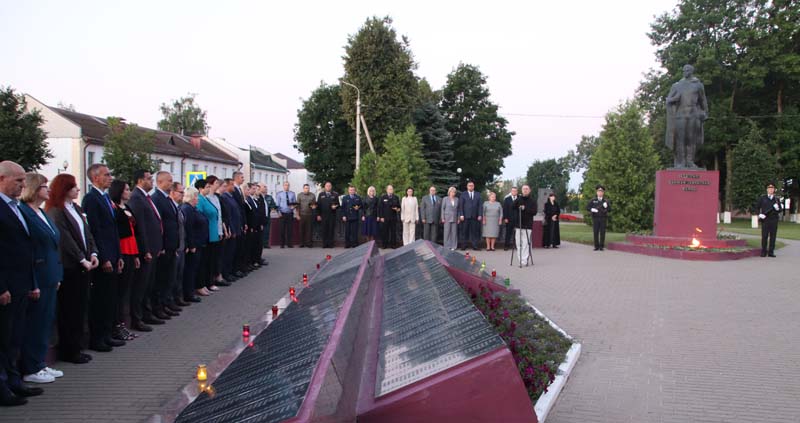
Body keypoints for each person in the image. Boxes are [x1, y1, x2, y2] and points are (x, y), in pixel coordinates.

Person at [0, 161, 42, 405]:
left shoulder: (16, 207)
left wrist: (31, 282)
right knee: (3, 338)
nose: (23, 185)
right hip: (7, 285)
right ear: (2, 179)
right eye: (18, 181)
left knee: (15, 336)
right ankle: (3, 386)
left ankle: (15, 382)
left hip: (22, 283)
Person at [46, 173, 99, 364]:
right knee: (70, 309)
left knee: (80, 307)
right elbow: (65, 239)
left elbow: (87, 233)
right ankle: (70, 350)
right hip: (70, 267)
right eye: (73, 186)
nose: (77, 189)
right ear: (64, 189)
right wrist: (81, 259)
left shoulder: (75, 208)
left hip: (84, 264)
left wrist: (93, 253)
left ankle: (77, 346)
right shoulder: (56, 211)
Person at [18, 173, 63, 385]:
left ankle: (40, 362)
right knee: (35, 322)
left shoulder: (42, 213)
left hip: (51, 273)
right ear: (34, 189)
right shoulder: (25, 212)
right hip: (38, 275)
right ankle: (31, 366)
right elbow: (30, 248)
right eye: (44, 186)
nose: (48, 190)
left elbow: (54, 242)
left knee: (45, 320)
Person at [82, 164, 124, 352]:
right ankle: (98, 337)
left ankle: (107, 334)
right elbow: (96, 231)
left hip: (114, 254)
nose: (110, 177)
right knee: (101, 299)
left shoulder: (105, 197)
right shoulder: (91, 199)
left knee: (110, 298)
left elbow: (113, 230)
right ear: (95, 177)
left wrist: (119, 255)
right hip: (103, 257)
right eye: (107, 175)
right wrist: (105, 257)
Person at [127, 170, 166, 329]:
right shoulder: (136, 198)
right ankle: (138, 318)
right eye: (149, 179)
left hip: (154, 247)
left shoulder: (146, 197)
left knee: (149, 284)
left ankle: (148, 313)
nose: (152, 181)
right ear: (140, 180)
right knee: (141, 286)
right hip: (146, 250)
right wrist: (145, 250)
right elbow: (140, 227)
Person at [108, 180, 141, 336]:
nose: (129, 192)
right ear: (119, 191)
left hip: (131, 248)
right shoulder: (114, 207)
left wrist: (136, 255)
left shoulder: (126, 207)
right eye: (127, 189)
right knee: (118, 291)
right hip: (121, 249)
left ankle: (121, 323)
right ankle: (117, 324)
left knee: (126, 289)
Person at [665, 64, 708, 169]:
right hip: (680, 116)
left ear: (691, 71)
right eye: (684, 70)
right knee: (681, 140)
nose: (685, 72)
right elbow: (668, 100)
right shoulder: (677, 85)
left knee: (691, 140)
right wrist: (674, 98)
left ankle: (690, 161)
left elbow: (703, 100)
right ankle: (681, 162)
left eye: (687, 70)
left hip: (694, 115)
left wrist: (705, 112)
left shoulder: (698, 85)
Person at [181, 186, 208, 301]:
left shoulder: (193, 208)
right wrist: (191, 245)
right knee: (190, 270)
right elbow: (189, 229)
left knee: (194, 269)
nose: (198, 198)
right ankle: (188, 293)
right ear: (191, 197)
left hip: (198, 243)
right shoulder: (187, 209)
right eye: (196, 196)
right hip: (194, 245)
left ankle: (191, 290)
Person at [199, 176, 224, 291]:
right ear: (201, 189)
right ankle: (205, 283)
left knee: (211, 259)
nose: (209, 189)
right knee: (206, 261)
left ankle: (210, 282)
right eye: (207, 187)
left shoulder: (208, 199)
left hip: (213, 233)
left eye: (209, 187)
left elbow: (217, 214)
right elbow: (201, 216)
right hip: (207, 234)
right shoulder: (201, 199)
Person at [169, 182, 190, 306]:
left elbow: (183, 228)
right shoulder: (172, 206)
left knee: (179, 275)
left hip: (181, 246)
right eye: (180, 192)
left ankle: (178, 298)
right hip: (175, 247)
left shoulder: (179, 207)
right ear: (172, 193)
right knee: (172, 276)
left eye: (183, 192)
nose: (183, 195)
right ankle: (171, 300)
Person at [220, 179, 243, 282]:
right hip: (231, 229)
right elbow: (228, 216)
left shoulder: (231, 197)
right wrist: (232, 230)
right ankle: (226, 273)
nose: (233, 187)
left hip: (236, 228)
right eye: (231, 185)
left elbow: (236, 212)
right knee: (228, 254)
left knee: (233, 252)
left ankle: (231, 271)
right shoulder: (225, 198)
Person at [755, 182, 783, 257]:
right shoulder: (762, 198)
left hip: (774, 220)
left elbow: (780, 210)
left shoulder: (776, 199)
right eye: (769, 188)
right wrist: (759, 214)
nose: (771, 190)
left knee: (773, 236)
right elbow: (757, 208)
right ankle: (763, 251)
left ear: (774, 190)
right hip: (765, 219)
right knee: (764, 236)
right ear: (767, 189)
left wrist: (777, 208)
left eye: (772, 188)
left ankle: (771, 252)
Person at [512, 185, 537, 266]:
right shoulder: (518, 199)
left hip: (528, 225)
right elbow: (512, 207)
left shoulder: (532, 201)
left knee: (526, 244)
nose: (525, 190)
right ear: (521, 190)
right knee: (518, 243)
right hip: (518, 225)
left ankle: (524, 260)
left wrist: (525, 208)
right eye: (523, 189)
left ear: (529, 190)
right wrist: (518, 200)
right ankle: (520, 259)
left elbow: (534, 212)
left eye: (527, 189)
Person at [459, 181, 483, 250]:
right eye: (469, 185)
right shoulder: (463, 194)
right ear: (467, 186)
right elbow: (461, 205)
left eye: (472, 185)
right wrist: (461, 214)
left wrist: (480, 215)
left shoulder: (478, 194)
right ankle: (464, 245)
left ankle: (475, 245)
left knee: (474, 232)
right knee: (464, 231)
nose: (470, 187)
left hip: (475, 216)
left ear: (474, 186)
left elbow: (480, 206)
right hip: (465, 216)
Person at [587, 185, 610, 251]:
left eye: (601, 191)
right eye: (599, 191)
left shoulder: (606, 201)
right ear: (597, 192)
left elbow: (610, 209)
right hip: (595, 218)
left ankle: (601, 246)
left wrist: (606, 207)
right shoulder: (593, 200)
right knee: (596, 232)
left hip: (603, 218)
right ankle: (596, 246)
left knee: (602, 232)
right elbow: (587, 207)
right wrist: (592, 209)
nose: (600, 193)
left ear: (603, 193)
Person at [316, 182, 339, 248]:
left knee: (331, 230)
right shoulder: (321, 194)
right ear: (325, 187)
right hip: (323, 215)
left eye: (329, 186)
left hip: (332, 215)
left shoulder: (335, 194)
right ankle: (325, 244)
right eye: (327, 186)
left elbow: (338, 205)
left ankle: (330, 244)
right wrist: (318, 215)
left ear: (331, 187)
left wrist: (335, 207)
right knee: (324, 230)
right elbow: (318, 206)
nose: (328, 187)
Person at [275, 182, 297, 248]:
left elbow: (295, 203)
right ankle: (282, 244)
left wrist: (293, 207)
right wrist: (278, 212)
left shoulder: (292, 194)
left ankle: (289, 244)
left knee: (290, 229)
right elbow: (277, 204)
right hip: (282, 213)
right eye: (285, 185)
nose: (286, 186)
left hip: (290, 213)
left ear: (289, 186)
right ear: (283, 186)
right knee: (282, 229)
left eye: (288, 185)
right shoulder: (279, 194)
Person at [441, 187, 460, 251]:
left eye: (454, 192)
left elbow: (458, 209)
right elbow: (442, 209)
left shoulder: (457, 199)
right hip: (447, 218)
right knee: (447, 232)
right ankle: (446, 246)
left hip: (454, 218)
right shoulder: (445, 199)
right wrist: (442, 218)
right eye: (452, 192)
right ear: (449, 192)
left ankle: (453, 246)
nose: (453, 193)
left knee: (454, 233)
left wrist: (458, 218)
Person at [258, 183, 277, 248]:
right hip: (260, 217)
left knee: (267, 230)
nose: (266, 188)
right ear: (260, 188)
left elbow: (273, 205)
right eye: (264, 187)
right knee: (260, 231)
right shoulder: (258, 197)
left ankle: (266, 244)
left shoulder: (269, 197)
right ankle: (260, 244)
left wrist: (273, 208)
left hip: (267, 216)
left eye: (266, 187)